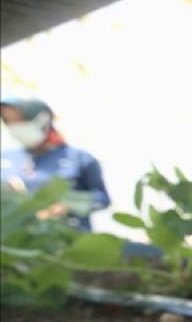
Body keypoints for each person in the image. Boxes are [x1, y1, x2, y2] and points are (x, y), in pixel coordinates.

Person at [1, 96, 111, 231]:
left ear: (42, 120)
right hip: (18, 241)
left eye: (20, 121)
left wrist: (69, 205)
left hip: (67, 239)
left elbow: (102, 198)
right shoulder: (6, 158)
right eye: (9, 122)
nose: (15, 127)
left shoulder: (78, 158)